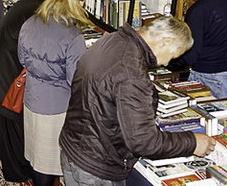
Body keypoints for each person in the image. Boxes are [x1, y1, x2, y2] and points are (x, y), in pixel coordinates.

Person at [58, 15, 216, 185]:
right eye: (173, 55)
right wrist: (192, 142)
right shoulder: (130, 71)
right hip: (97, 167)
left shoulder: (113, 39)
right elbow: (144, 142)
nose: (167, 63)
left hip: (76, 147)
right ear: (165, 42)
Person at [17, 0, 89, 186]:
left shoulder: (30, 22)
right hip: (57, 107)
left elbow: (22, 59)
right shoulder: (73, 36)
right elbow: (74, 79)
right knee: (51, 165)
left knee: (37, 159)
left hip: (32, 99)